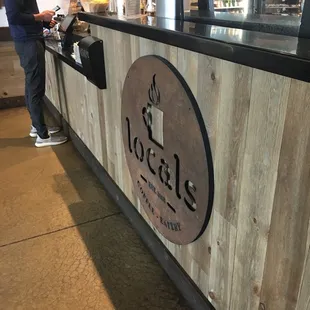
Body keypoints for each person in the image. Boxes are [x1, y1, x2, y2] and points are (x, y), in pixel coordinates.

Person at [5, 0, 67, 148]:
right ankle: (42, 136)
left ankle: (37, 126)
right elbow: (14, 17)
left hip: (29, 40)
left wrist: (43, 22)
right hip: (29, 42)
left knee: (31, 85)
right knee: (36, 87)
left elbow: (25, 14)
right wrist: (41, 17)